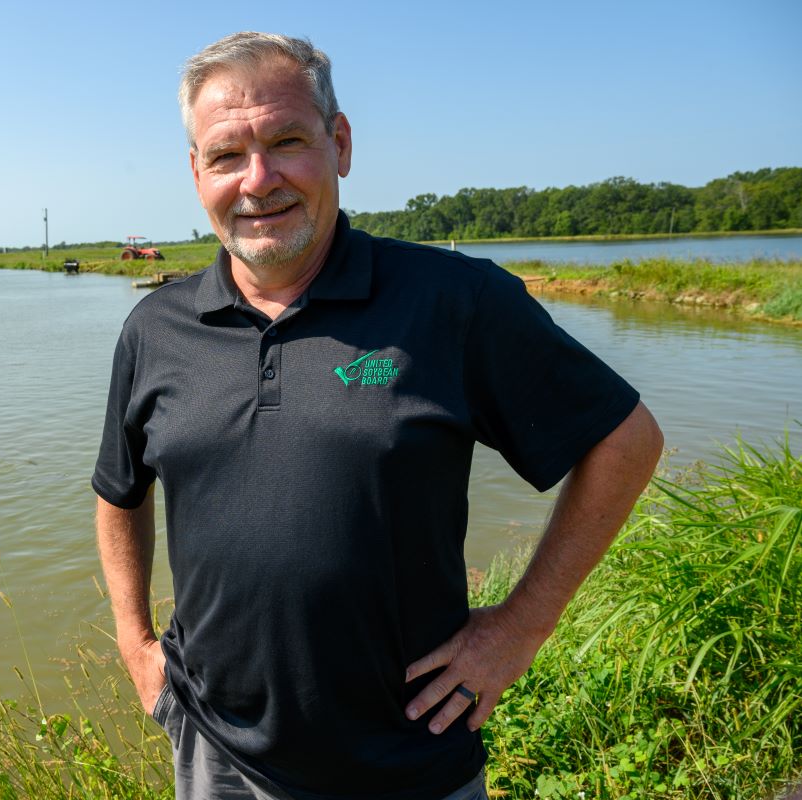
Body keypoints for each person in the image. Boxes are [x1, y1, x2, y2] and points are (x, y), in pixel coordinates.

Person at [92, 31, 663, 800]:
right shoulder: (156, 329)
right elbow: (119, 492)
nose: (258, 180)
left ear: (340, 143)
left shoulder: (453, 301)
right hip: (217, 758)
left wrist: (520, 627)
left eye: (286, 141)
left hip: (412, 764)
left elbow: (624, 442)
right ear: (196, 172)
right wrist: (134, 644)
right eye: (227, 155)